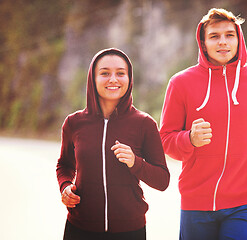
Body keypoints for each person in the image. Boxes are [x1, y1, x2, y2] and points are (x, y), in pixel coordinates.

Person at [159, 8, 247, 240]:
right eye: (215, 36)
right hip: (196, 203)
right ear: (203, 43)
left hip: (244, 201)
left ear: (239, 39)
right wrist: (189, 139)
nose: (223, 42)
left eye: (229, 35)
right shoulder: (180, 83)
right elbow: (166, 138)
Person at [56, 48, 170, 240]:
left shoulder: (144, 123)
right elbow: (65, 165)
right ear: (93, 78)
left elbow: (162, 180)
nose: (113, 79)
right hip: (80, 227)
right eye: (105, 73)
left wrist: (135, 162)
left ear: (129, 78)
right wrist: (65, 186)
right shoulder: (73, 123)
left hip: (130, 230)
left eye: (120, 73)